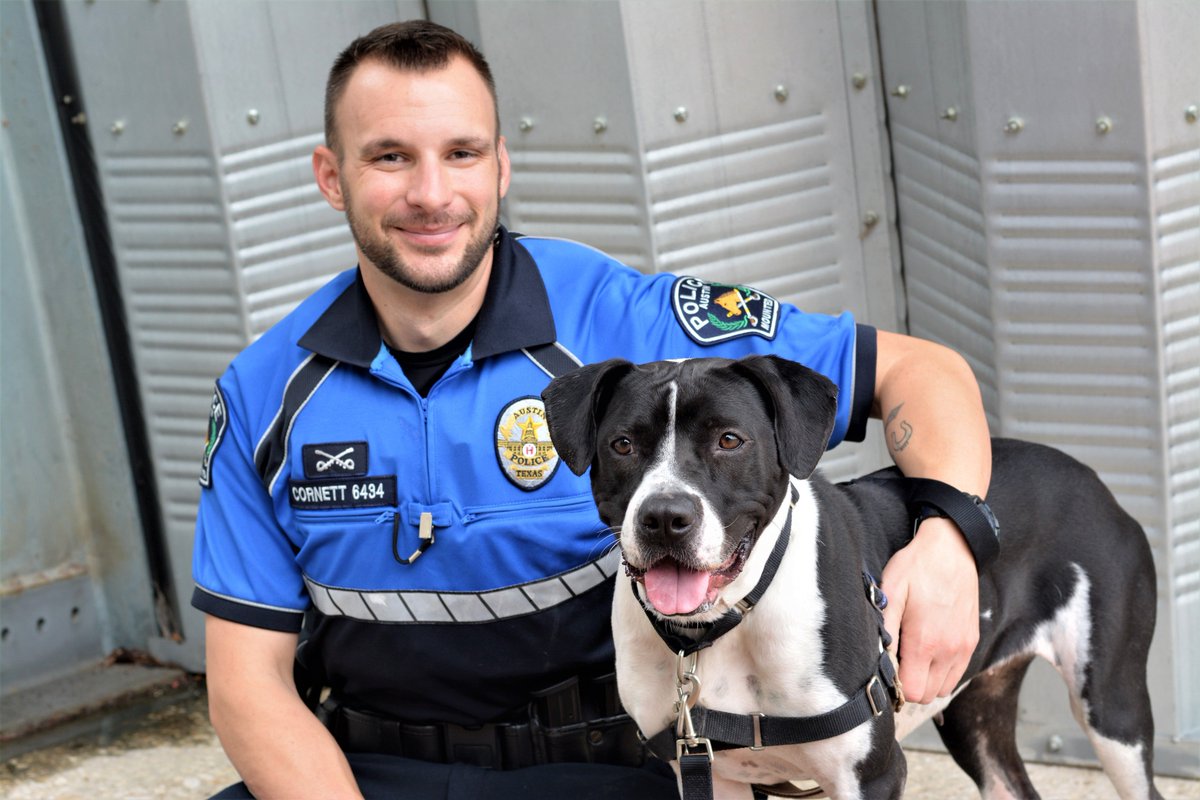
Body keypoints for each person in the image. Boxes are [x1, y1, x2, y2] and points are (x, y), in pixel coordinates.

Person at [193, 19, 991, 800]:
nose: (431, 194)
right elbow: (248, 687)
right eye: (390, 157)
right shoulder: (264, 391)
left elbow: (923, 374)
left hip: (615, 765)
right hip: (366, 771)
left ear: (501, 166)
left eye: (461, 153)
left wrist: (950, 538)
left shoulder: (629, 321)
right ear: (331, 176)